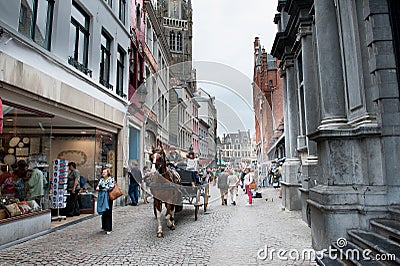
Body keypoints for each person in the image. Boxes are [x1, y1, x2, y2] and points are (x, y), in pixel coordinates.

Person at [96, 168, 115, 234]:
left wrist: (103, 188)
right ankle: (104, 226)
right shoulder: (101, 180)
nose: (103, 173)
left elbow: (111, 187)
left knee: (108, 212)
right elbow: (98, 187)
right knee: (103, 212)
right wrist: (99, 188)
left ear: (108, 173)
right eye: (103, 172)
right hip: (101, 197)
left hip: (108, 197)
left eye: (105, 172)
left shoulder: (111, 179)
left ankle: (108, 228)